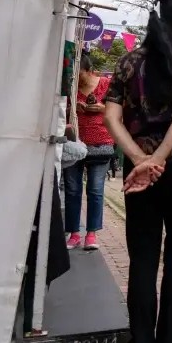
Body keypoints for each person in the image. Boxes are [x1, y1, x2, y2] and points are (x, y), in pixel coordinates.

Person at [103, 0, 172, 343]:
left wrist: (140, 158)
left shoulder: (128, 61)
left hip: (139, 171)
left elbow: (111, 116)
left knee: (143, 258)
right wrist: (160, 158)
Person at [66, 51, 115, 250]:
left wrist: (102, 108)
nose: (77, 79)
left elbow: (119, 108)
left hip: (101, 142)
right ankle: (74, 232)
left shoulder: (106, 83)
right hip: (75, 142)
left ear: (89, 70)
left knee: (95, 189)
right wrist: (73, 107)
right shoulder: (69, 87)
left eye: (81, 74)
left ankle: (92, 233)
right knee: (72, 189)